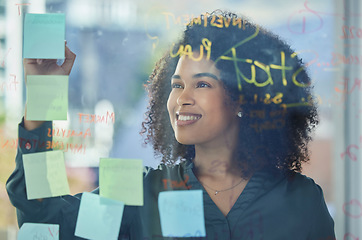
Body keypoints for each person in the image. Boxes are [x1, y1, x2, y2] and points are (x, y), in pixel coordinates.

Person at [7, 11, 335, 239]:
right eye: (177, 85)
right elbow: (43, 218)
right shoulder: (140, 195)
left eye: (202, 84)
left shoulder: (301, 201)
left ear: (243, 99)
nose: (182, 98)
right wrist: (42, 94)